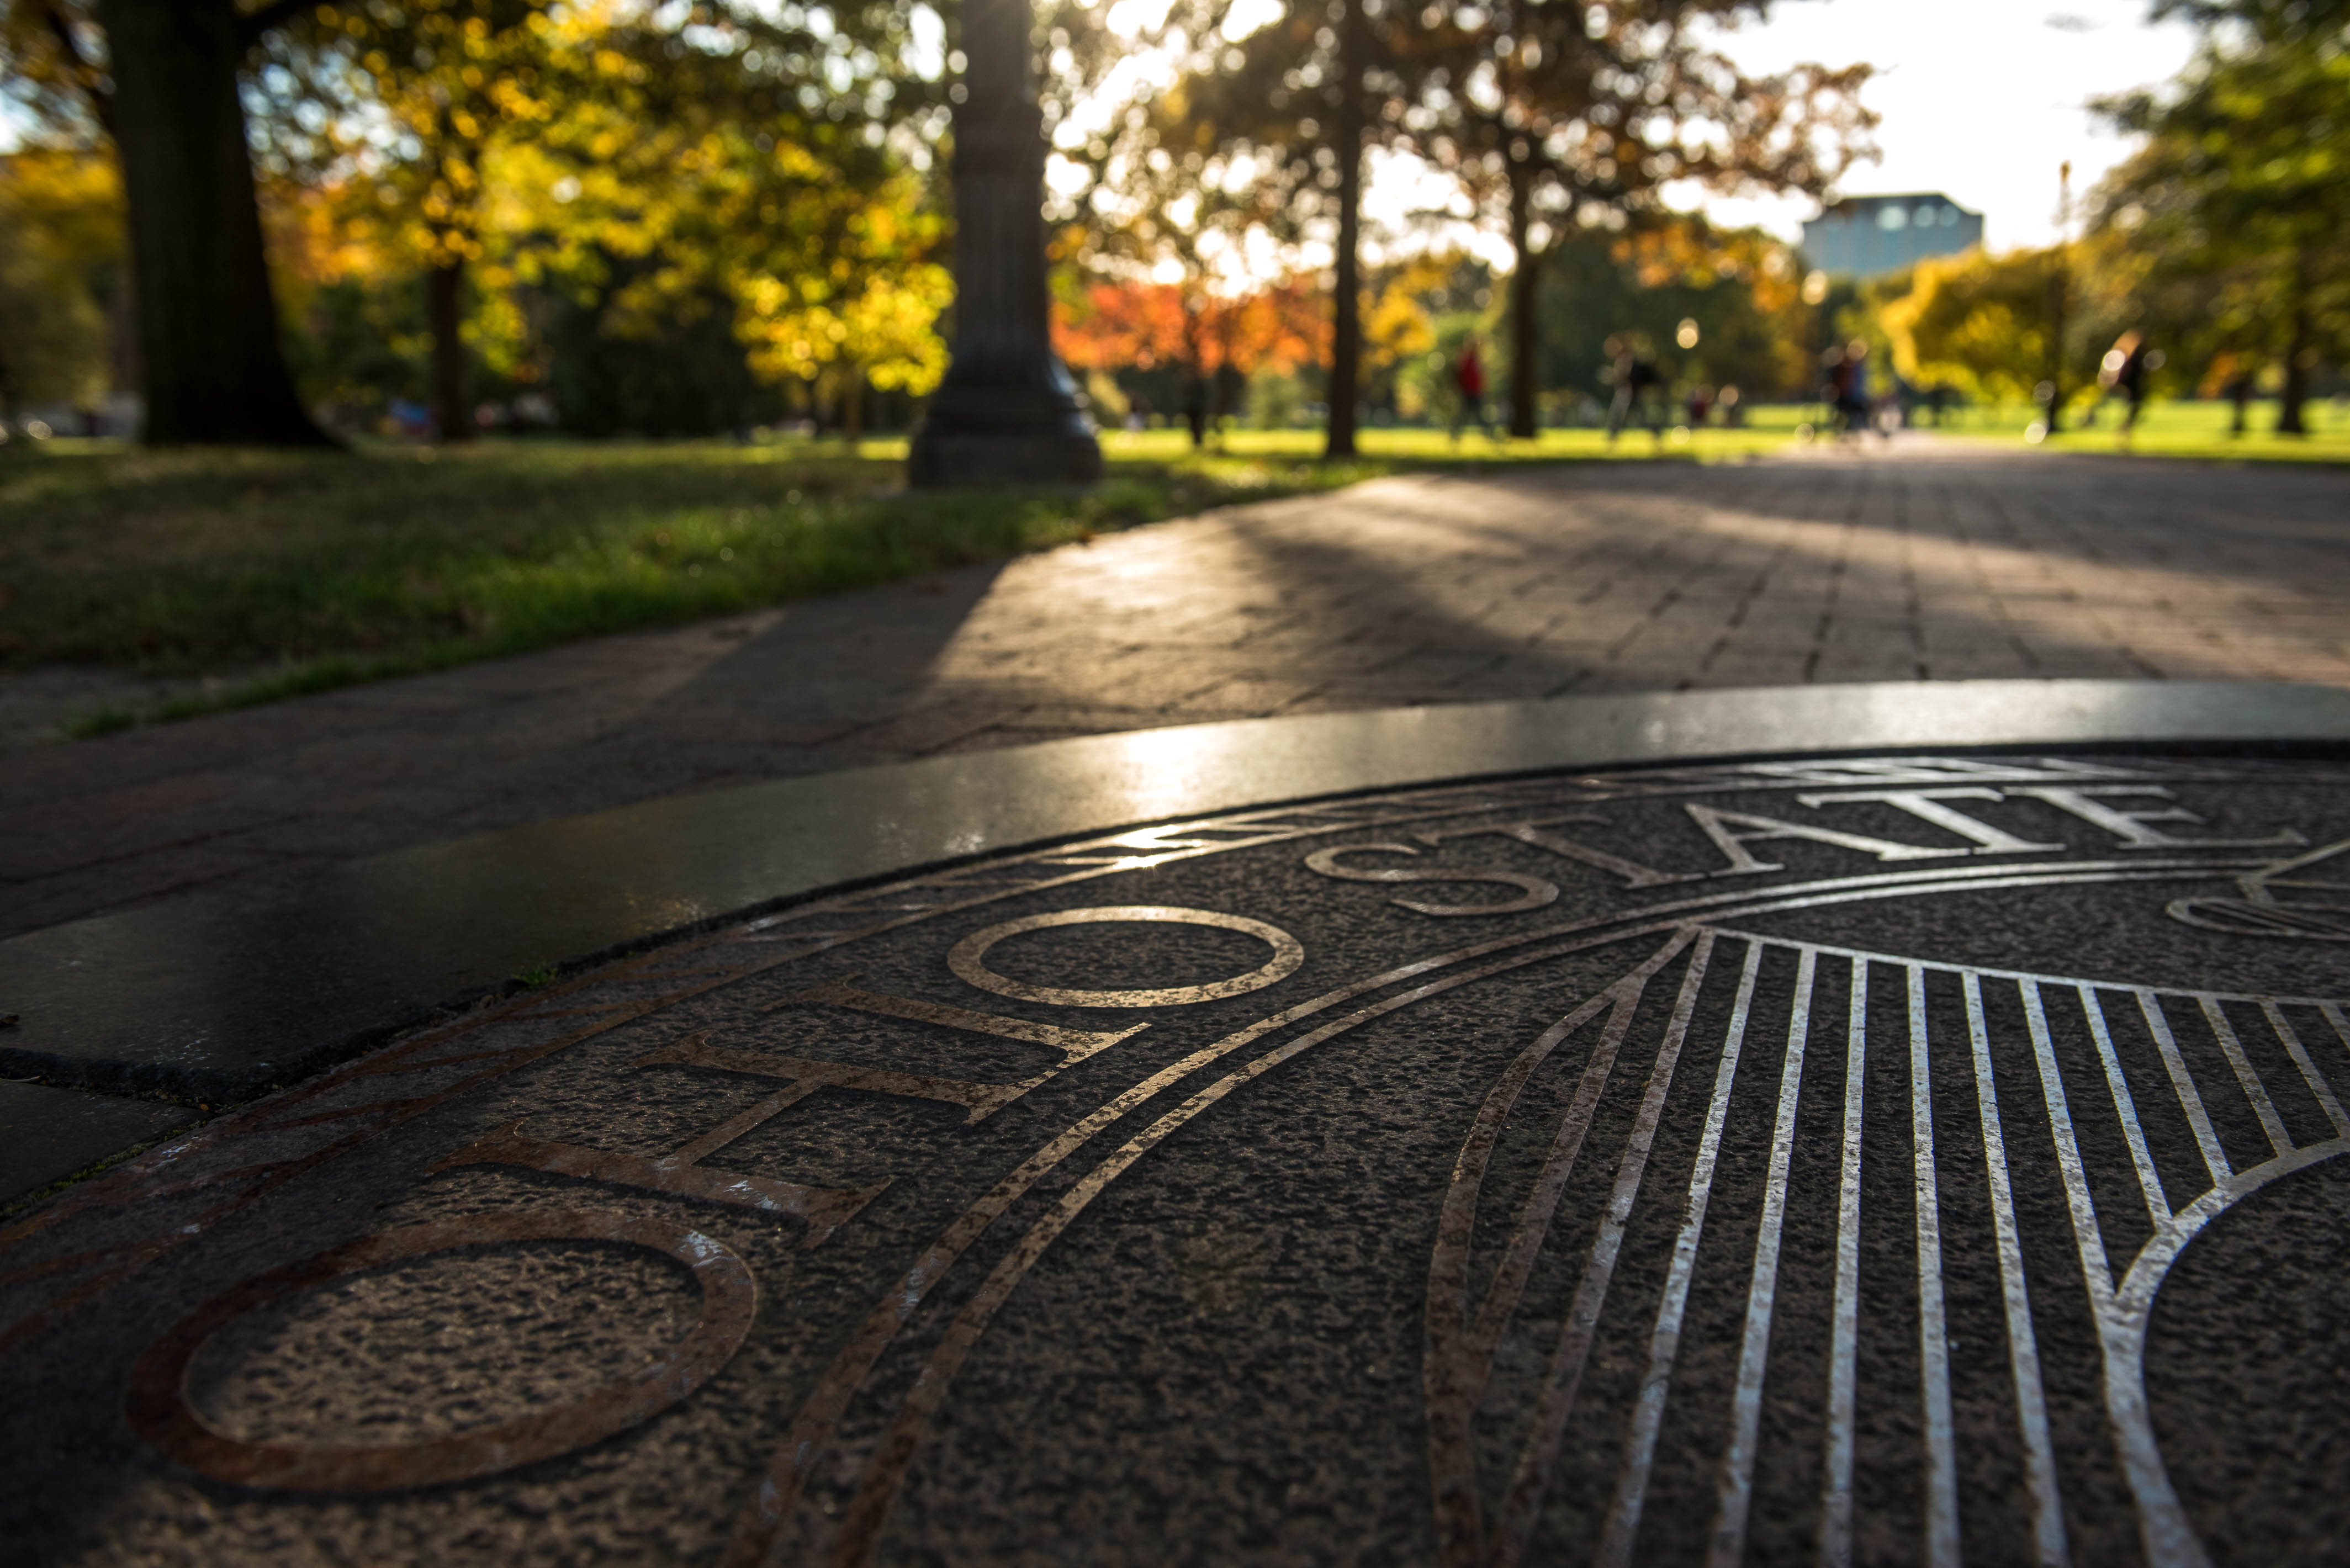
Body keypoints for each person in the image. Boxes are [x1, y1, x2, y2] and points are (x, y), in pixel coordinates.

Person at [2092, 329, 2153, 441]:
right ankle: (2123, 430)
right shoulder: (2124, 354)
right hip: (2127, 386)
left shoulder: (2135, 354)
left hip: (2132, 386)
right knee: (2132, 409)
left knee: (2134, 410)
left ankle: (2124, 430)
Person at [1605, 338, 1664, 442]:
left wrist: (1612, 376)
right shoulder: (1626, 359)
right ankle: (1656, 433)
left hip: (1627, 394)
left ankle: (1612, 437)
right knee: (1641, 417)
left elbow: (1624, 376)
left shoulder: (1625, 359)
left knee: (1618, 416)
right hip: (1630, 394)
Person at [1451, 339, 1491, 441]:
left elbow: (1480, 378)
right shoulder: (1467, 360)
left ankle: (1489, 435)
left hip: (1476, 392)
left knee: (1479, 415)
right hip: (1468, 392)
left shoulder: (1476, 361)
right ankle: (1455, 435)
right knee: (1465, 415)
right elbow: (1461, 376)